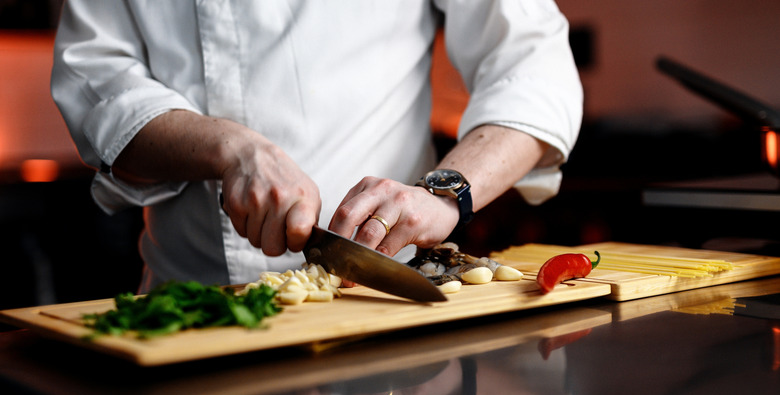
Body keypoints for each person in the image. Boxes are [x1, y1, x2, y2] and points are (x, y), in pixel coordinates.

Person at [51, 1, 583, 292]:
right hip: (190, 303)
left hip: (383, 314)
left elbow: (532, 63)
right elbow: (94, 75)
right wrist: (228, 147)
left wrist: (443, 195)